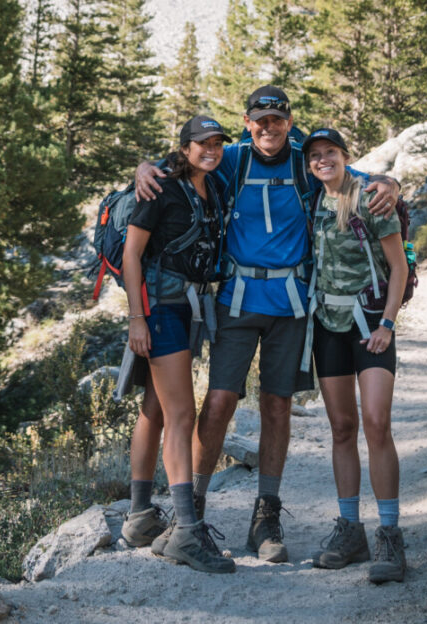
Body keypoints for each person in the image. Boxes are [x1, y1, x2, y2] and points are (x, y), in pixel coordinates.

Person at [136, 86, 400, 563]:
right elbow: (183, 163)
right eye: (261, 119)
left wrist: (389, 182)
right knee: (217, 404)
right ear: (247, 120)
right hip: (237, 300)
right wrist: (144, 168)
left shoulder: (304, 160)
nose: (269, 128)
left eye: (277, 120)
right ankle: (189, 513)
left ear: (288, 122)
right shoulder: (233, 159)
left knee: (277, 407)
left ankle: (266, 517)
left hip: (292, 302)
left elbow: (349, 175)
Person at [119, 115, 235, 574]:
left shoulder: (214, 185)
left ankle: (141, 516)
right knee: (182, 414)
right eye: (202, 143)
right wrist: (137, 318)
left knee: (154, 408)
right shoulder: (160, 188)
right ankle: (185, 530)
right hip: (160, 310)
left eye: (217, 143)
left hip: (188, 309)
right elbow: (131, 254)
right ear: (184, 147)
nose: (211, 149)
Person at [301, 127, 409, 584]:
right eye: (315, 156)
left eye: (331, 153)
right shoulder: (313, 200)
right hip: (328, 326)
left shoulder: (370, 198)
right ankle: (350, 529)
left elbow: (399, 266)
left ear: (346, 156)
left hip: (370, 324)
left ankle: (390, 533)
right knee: (342, 428)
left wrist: (387, 324)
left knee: (376, 423)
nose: (323, 161)